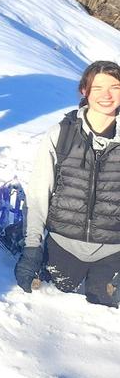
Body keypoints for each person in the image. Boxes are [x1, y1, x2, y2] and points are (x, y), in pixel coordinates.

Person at [15, 61, 120, 307]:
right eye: (98, 88)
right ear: (85, 91)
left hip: (113, 248)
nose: (106, 95)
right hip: (63, 242)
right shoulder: (61, 134)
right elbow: (41, 193)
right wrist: (32, 248)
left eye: (114, 87)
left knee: (105, 301)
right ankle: (19, 234)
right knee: (58, 289)